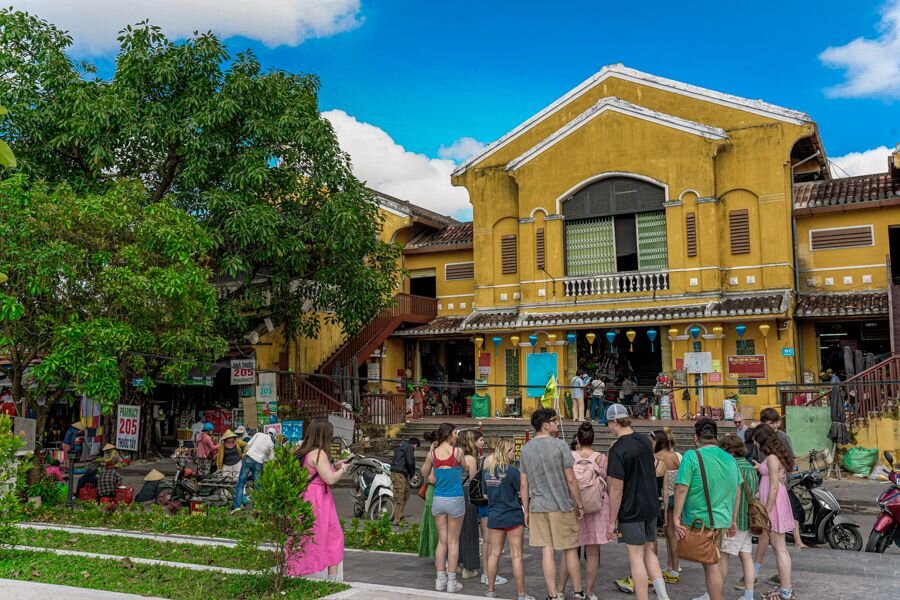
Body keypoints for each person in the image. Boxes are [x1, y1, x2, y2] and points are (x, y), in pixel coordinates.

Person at [520, 407, 585, 600]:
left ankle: (553, 594)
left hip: (538, 505)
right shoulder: (560, 446)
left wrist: (525, 509)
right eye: (554, 420)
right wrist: (579, 504)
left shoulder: (527, 448)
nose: (557, 423)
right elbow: (571, 479)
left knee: (546, 550)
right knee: (570, 549)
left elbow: (523, 483)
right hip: (561, 504)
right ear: (545, 425)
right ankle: (578, 592)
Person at [605, 404, 669, 600]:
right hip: (650, 505)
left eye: (609, 423)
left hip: (631, 508)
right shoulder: (644, 440)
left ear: (615, 422)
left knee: (636, 557)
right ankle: (663, 596)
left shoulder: (617, 449)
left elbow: (616, 489)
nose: (608, 428)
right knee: (650, 551)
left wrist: (611, 521)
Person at [672, 418, 740, 600]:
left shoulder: (691, 456)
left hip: (701, 521)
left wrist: (675, 518)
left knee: (711, 565)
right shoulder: (730, 459)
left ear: (696, 438)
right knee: (712, 561)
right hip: (723, 519)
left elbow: (681, 488)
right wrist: (733, 520)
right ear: (716, 437)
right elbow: (737, 490)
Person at [287, 419, 347, 581]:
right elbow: (330, 479)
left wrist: (334, 466)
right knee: (332, 536)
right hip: (319, 500)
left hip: (305, 498)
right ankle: (332, 580)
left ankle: (293, 571)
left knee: (303, 536)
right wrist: (342, 469)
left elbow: (316, 474)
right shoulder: (319, 454)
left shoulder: (303, 452)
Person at [420, 422, 476, 593]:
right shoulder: (457, 452)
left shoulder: (432, 454)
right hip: (455, 499)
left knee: (442, 541)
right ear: (450, 434)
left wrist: (431, 453)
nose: (457, 436)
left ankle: (440, 580)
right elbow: (466, 468)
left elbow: (424, 473)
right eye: (455, 433)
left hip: (438, 499)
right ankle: (451, 582)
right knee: (453, 541)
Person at [558, 421, 610, 600]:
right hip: (596, 508)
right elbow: (608, 484)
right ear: (593, 439)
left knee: (569, 549)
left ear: (578, 439)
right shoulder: (602, 458)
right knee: (593, 552)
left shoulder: (569, 456)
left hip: (572, 506)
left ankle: (561, 590)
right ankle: (589, 592)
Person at [483, 438, 533, 600]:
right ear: (505, 452)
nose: (514, 453)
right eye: (512, 450)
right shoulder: (512, 472)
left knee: (494, 554)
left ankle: (490, 591)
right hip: (512, 515)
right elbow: (522, 489)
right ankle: (521, 594)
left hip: (494, 516)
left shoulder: (487, 472)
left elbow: (485, 495)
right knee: (516, 556)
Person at [751, 426, 795, 600]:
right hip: (776, 501)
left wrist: (766, 511)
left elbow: (774, 486)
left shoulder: (771, 458)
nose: (754, 442)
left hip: (774, 504)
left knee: (780, 548)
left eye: (756, 439)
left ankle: (786, 591)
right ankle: (785, 588)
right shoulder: (775, 458)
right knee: (779, 548)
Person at [718, 434, 758, 600]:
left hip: (735, 519)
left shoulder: (731, 466)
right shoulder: (750, 467)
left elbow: (734, 494)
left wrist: (731, 520)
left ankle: (714, 593)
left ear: (730, 451)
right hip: (750, 518)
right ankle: (748, 595)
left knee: (723, 556)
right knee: (746, 556)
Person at [654, 428, 682, 585]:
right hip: (676, 495)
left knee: (669, 533)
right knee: (671, 533)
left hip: (664, 496)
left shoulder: (657, 457)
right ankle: (672, 565)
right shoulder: (675, 456)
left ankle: (674, 568)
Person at [456, 430, 483, 580]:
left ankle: (456, 563)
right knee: (470, 531)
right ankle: (469, 567)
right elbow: (473, 481)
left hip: (454, 492)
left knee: (456, 533)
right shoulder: (471, 459)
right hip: (467, 494)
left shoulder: (454, 456)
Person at [231, 429, 275, 511]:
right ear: (273, 436)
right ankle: (256, 507)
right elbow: (271, 458)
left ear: (267, 431)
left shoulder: (258, 434)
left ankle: (237, 506)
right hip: (258, 462)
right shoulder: (271, 444)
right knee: (257, 486)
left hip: (249, 458)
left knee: (241, 483)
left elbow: (248, 445)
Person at [418, 430, 439, 559]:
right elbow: (430, 478)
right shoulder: (433, 455)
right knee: (435, 526)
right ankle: (437, 554)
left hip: (434, 492)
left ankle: (436, 554)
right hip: (435, 490)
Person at [390, 436, 420, 525]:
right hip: (398, 473)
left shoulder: (402, 447)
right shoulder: (409, 447)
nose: (415, 450)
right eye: (416, 448)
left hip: (402, 473)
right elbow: (411, 462)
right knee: (399, 496)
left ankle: (400, 515)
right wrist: (412, 473)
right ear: (414, 445)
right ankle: (396, 519)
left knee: (406, 494)